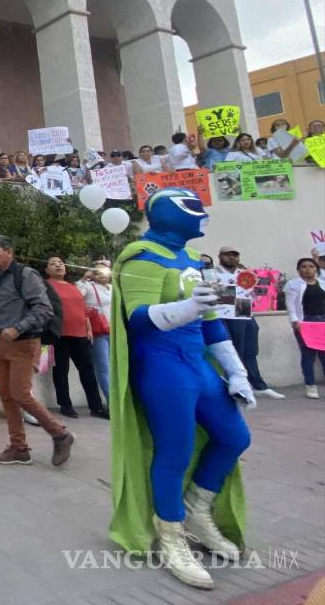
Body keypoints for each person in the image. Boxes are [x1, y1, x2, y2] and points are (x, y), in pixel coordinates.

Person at [109, 188, 253, 590]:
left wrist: (236, 371)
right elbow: (137, 318)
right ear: (172, 213)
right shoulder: (142, 255)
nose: (203, 214)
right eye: (194, 208)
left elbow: (210, 321)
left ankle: (196, 509)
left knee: (234, 436)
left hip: (198, 363)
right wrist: (189, 307)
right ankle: (171, 535)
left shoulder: (190, 259)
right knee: (175, 450)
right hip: (162, 365)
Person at [0, 235, 75, 466]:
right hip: (0, 341)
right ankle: (19, 448)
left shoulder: (26, 275)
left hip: (23, 342)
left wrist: (17, 328)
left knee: (20, 394)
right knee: (7, 396)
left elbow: (44, 308)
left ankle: (60, 434)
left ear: (8, 251)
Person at [215, 246, 283, 400]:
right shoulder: (213, 273)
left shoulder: (244, 274)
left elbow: (255, 294)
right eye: (227, 255)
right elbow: (218, 296)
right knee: (236, 351)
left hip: (244, 311)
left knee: (251, 351)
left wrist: (251, 292)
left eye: (234, 255)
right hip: (226, 315)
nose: (231, 258)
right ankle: (234, 386)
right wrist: (236, 290)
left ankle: (258, 385)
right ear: (220, 256)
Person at [44, 257, 108, 419]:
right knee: (61, 371)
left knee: (88, 372)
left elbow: (82, 309)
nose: (58, 265)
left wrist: (88, 329)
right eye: (53, 263)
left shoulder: (73, 286)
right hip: (60, 335)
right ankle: (65, 405)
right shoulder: (46, 286)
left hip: (80, 335)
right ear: (47, 270)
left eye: (60, 263)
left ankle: (96, 407)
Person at [285, 257, 325, 399]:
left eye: (311, 266)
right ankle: (310, 385)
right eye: (303, 266)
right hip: (305, 322)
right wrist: (295, 321)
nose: (307, 269)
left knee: (323, 355)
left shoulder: (322, 283)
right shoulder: (293, 284)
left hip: (322, 321)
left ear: (316, 269)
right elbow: (290, 305)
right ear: (298, 269)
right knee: (308, 355)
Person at [77, 261, 113, 405]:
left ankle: (120, 401)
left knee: (116, 367)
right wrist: (84, 278)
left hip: (115, 331)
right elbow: (76, 296)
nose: (102, 274)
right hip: (99, 332)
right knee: (104, 367)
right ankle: (112, 402)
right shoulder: (88, 287)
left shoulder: (112, 288)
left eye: (104, 271)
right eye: (97, 272)